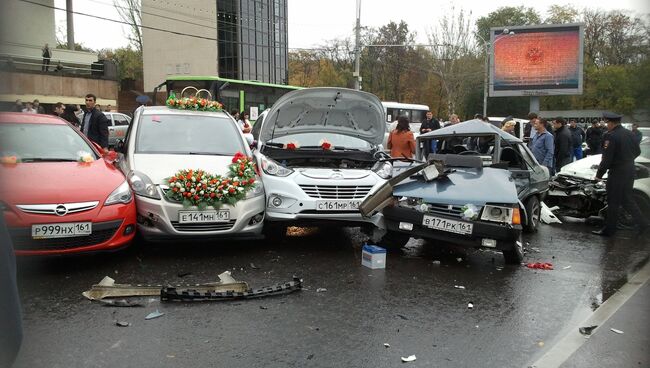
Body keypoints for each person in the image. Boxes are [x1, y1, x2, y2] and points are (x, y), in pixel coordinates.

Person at [592, 112, 649, 237]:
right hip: (629, 170)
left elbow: (606, 159)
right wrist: (626, 160)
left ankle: (609, 230)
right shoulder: (630, 134)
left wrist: (599, 175)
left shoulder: (610, 136)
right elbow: (637, 151)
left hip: (617, 173)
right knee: (627, 199)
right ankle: (643, 223)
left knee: (613, 202)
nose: (606, 125)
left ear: (611, 123)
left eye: (607, 123)